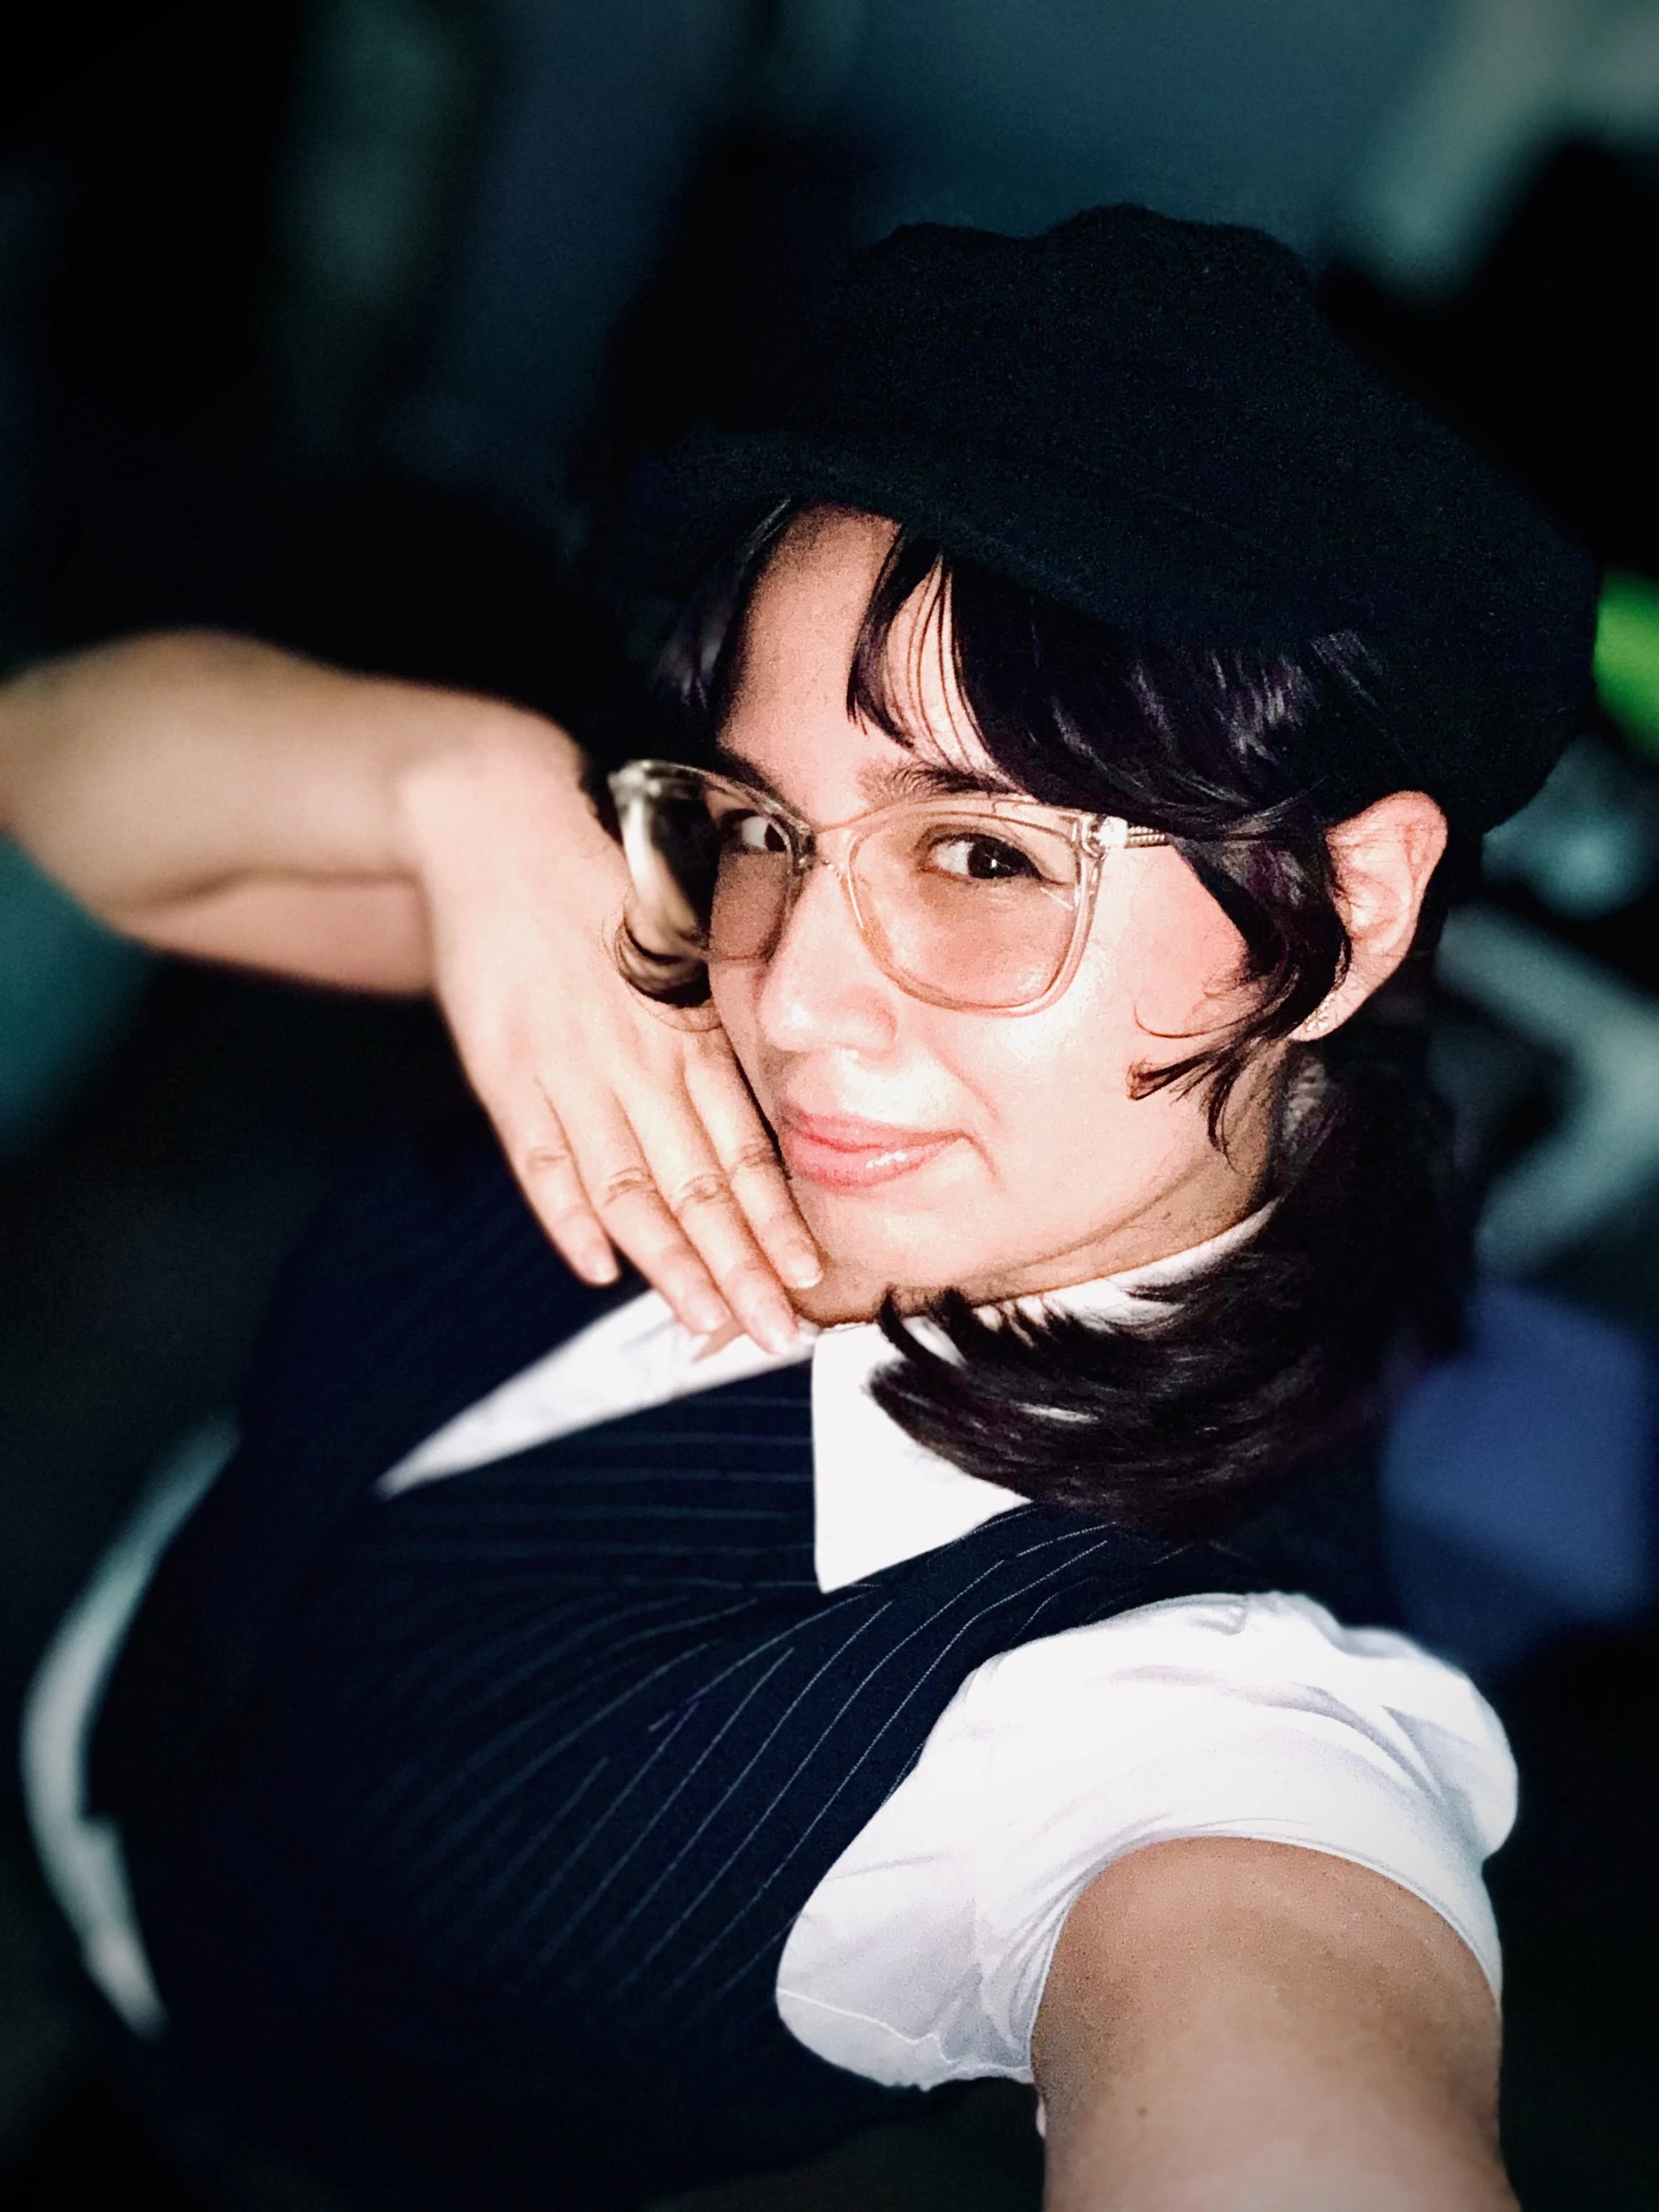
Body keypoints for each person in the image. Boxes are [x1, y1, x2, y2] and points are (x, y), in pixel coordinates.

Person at [9, 207, 1598, 2210]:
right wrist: (451, 781)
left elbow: (1280, 2051)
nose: (787, 998)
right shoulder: (691, 935)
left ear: (1345, 911)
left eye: (987, 857)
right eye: (771, 816)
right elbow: (54, 777)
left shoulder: (1175, 1725)